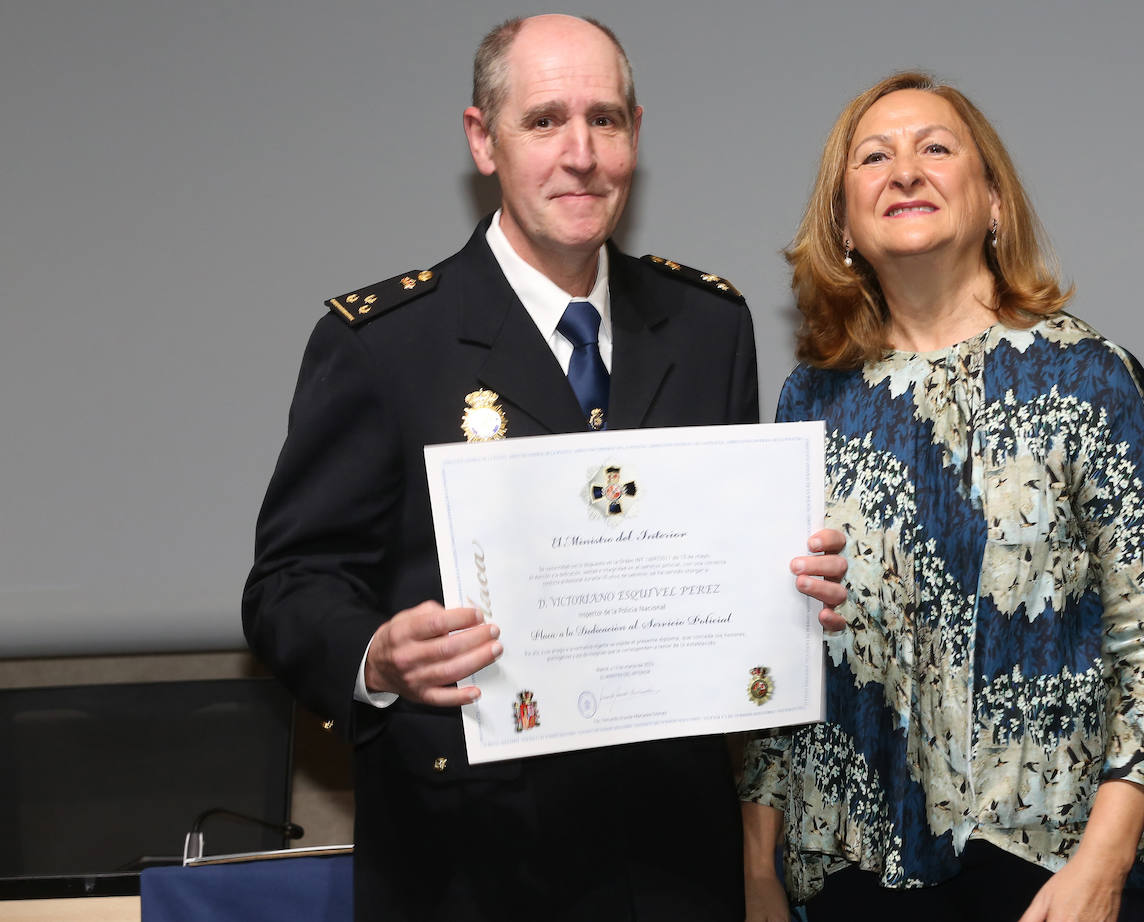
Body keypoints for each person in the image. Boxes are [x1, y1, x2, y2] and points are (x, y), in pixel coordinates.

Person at [242, 15, 846, 922]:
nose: (581, 154)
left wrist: (792, 586)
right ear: (483, 140)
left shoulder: (707, 325)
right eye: (544, 121)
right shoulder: (383, 344)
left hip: (671, 859)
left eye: (605, 120)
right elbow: (288, 586)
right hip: (467, 865)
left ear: (635, 134)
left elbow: (718, 560)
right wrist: (376, 655)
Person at [739, 72, 1144, 922]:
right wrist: (759, 865)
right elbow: (781, 647)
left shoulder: (1087, 378)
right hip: (861, 870)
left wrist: (1104, 864)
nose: (906, 170)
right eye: (875, 155)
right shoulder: (810, 403)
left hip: (1056, 866)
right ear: (844, 223)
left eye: (936, 148)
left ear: (993, 201)